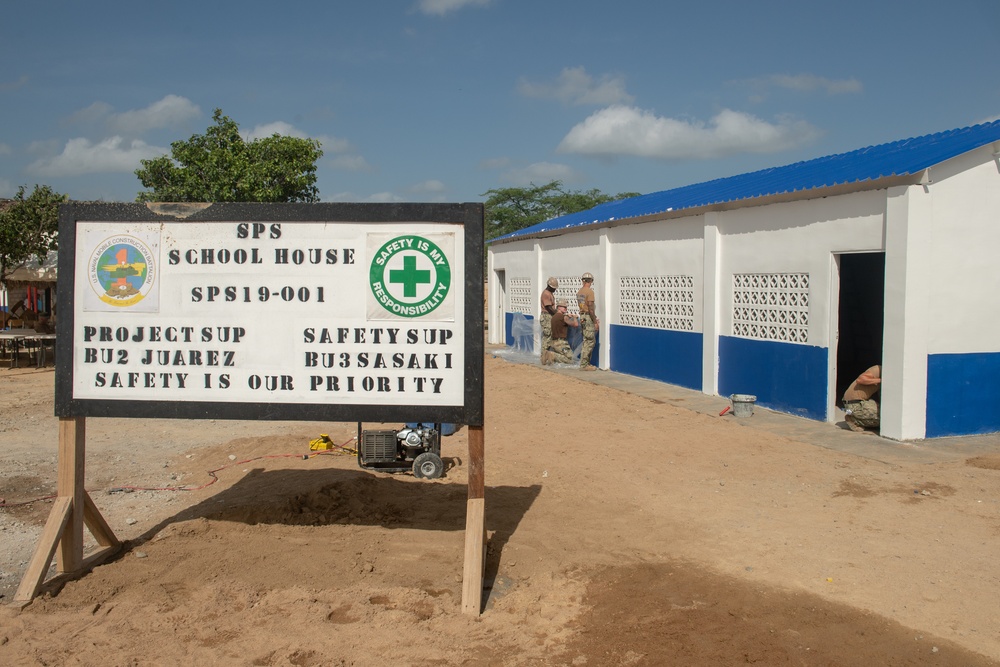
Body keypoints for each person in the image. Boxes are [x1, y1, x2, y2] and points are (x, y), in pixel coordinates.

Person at [842, 364, 881, 432]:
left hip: (853, 404)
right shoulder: (878, 369)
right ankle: (854, 420)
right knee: (884, 420)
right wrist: (881, 380)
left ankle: (854, 415)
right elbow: (860, 379)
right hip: (855, 404)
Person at [542, 300, 579, 365]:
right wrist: (575, 317)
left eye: (566, 307)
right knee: (571, 359)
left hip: (554, 342)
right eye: (563, 307)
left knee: (563, 357)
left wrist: (567, 315)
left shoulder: (554, 317)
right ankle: (552, 355)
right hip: (561, 343)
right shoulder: (563, 317)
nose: (565, 308)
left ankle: (549, 354)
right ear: (558, 307)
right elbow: (575, 325)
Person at [576, 272, 599, 370]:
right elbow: (590, 307)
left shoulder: (579, 292)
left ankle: (585, 363)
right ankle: (584, 364)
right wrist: (595, 321)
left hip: (582, 317)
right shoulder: (590, 292)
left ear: (583, 280)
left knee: (586, 340)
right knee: (590, 341)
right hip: (588, 317)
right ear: (591, 281)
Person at [539, 277, 558, 363]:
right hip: (546, 316)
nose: (554, 290)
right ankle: (543, 356)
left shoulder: (549, 293)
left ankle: (546, 356)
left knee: (549, 336)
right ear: (549, 286)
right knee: (547, 336)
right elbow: (548, 307)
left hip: (549, 316)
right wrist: (556, 314)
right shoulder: (546, 294)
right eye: (554, 288)